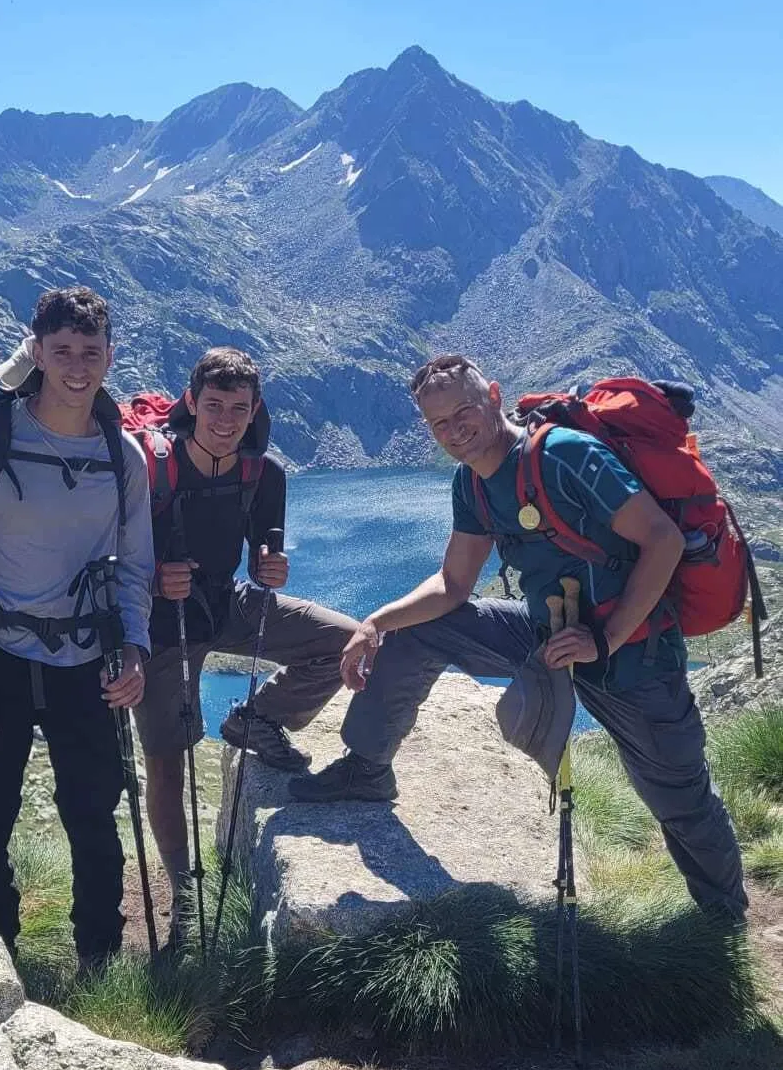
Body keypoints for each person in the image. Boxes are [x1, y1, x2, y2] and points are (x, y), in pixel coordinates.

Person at [290, 353, 746, 923]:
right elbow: (454, 583)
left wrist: (604, 639)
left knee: (678, 797)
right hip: (545, 636)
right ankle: (366, 769)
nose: (456, 431)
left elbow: (663, 541)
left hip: (631, 652)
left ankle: (724, 923)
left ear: (495, 398)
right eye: (440, 424)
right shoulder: (473, 483)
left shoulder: (564, 457)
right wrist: (375, 623)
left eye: (465, 412)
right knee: (421, 627)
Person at [0, 285, 154, 970]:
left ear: (110, 355)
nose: (78, 366)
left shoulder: (123, 455)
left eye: (91, 351)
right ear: (37, 350)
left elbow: (135, 567)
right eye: (63, 351)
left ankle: (101, 961)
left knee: (94, 816)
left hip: (89, 661)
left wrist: (134, 648)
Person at [132, 346, 358, 950]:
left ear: (254, 407)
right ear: (190, 403)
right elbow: (104, 550)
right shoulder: (148, 466)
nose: (226, 419)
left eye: (239, 407)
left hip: (223, 604)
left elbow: (263, 554)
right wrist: (153, 577)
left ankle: (258, 719)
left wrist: (272, 568)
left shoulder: (264, 473)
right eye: (213, 405)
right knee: (167, 763)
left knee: (347, 641)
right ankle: (185, 895)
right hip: (160, 625)